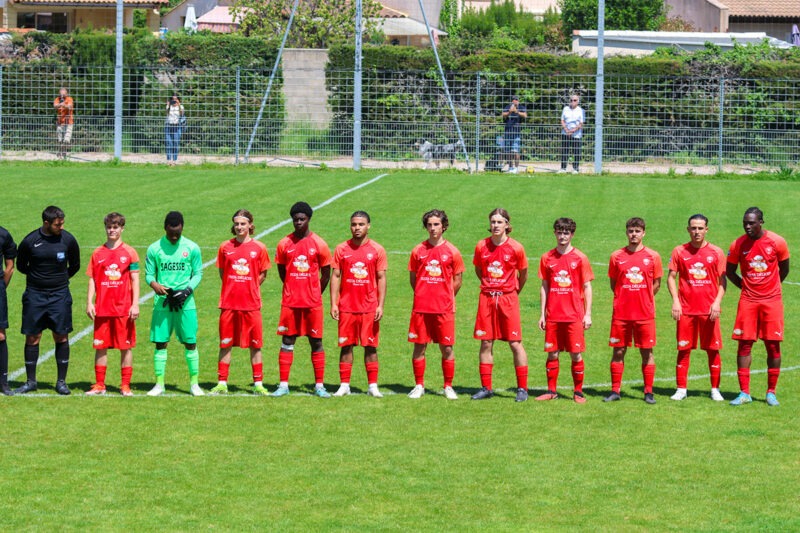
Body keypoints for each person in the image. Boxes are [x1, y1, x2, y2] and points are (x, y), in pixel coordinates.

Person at [726, 207, 790, 407]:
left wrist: (772, 287)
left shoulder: (777, 242)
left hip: (772, 301)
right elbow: (730, 271)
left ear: (761, 222)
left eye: (751, 223)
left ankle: (771, 392)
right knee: (744, 344)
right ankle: (744, 392)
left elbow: (785, 268)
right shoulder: (738, 244)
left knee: (773, 344)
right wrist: (746, 287)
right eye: (745, 222)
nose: (747, 226)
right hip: (748, 301)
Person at [15, 206, 80, 395]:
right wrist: (39, 279)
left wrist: (58, 280)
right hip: (35, 295)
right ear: (46, 223)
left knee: (61, 335)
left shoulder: (68, 240)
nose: (61, 227)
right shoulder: (30, 241)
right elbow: (21, 266)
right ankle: (30, 382)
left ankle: (61, 382)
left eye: (62, 223)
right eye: (58, 224)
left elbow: (75, 265)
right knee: (33, 336)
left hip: (60, 295)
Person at [273, 202, 332, 398]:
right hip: (290, 303)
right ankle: (283, 385)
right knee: (287, 340)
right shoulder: (284, 243)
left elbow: (326, 273)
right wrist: (292, 287)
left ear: (308, 219)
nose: (298, 222)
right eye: (295, 219)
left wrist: (315, 293)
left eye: (302, 219)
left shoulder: (319, 244)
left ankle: (319, 386)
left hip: (312, 304)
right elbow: (282, 270)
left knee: (316, 341)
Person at [210, 209, 271, 396]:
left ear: (250, 225)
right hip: (229, 304)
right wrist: (233, 285)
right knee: (225, 344)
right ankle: (222, 383)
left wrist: (250, 286)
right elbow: (223, 272)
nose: (239, 227)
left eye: (243, 224)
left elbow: (263, 273)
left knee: (255, 345)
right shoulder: (225, 247)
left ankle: (258, 384)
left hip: (251, 304)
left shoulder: (259, 248)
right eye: (236, 224)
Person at [471, 208, 529, 402]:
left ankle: (522, 388)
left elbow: (523, 274)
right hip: (487, 298)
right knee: (486, 341)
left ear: (507, 225)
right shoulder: (481, 246)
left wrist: (512, 291)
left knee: (515, 343)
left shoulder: (516, 248)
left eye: (499, 222)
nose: (495, 225)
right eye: (493, 222)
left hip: (507, 299)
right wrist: (490, 285)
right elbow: (479, 270)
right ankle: (486, 388)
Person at [666, 214, 726, 402]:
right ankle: (681, 389)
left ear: (706, 229)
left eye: (700, 228)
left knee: (713, 350)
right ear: (688, 229)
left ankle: (715, 389)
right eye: (693, 228)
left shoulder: (716, 252)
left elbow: (722, 281)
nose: (697, 232)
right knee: (683, 349)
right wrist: (676, 301)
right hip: (686, 310)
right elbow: (671, 278)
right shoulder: (679, 251)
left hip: (709, 311)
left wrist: (717, 302)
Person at [407, 209, 465, 400]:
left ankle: (448, 386)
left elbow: (458, 279)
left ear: (444, 226)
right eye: (429, 225)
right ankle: (419, 385)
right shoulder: (418, 250)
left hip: (444, 308)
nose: (433, 228)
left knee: (446, 348)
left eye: (436, 224)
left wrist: (445, 295)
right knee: (419, 347)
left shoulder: (452, 251)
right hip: (421, 308)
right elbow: (413, 278)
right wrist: (424, 293)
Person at [145, 211, 204, 396]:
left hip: (185, 303)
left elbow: (198, 273)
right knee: (160, 343)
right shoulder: (154, 248)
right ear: (165, 228)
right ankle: (159, 384)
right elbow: (149, 274)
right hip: (163, 302)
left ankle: (194, 384)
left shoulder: (192, 248)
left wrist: (186, 291)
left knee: (190, 342)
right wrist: (154, 285)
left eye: (177, 233)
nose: (174, 237)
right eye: (171, 233)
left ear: (182, 228)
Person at [330, 211, 387, 398]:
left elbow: (381, 277)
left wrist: (380, 305)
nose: (357, 228)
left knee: (370, 346)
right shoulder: (341, 249)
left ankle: (373, 386)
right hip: (347, 306)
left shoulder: (377, 250)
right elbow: (335, 276)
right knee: (346, 346)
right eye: (354, 224)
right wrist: (334, 303)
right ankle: (344, 385)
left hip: (369, 307)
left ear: (368, 226)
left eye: (361, 224)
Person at [604, 217, 662, 404]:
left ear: (643, 233)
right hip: (621, 314)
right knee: (618, 351)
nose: (634, 234)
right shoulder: (616, 256)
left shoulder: (653, 256)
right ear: (626, 232)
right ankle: (615, 391)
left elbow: (657, 284)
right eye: (631, 231)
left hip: (645, 314)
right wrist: (625, 296)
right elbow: (614, 283)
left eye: (637, 231)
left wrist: (643, 297)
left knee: (647, 352)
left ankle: (648, 392)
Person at [536, 217, 593, 403]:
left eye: (566, 233)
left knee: (576, 354)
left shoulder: (580, 258)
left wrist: (588, 314)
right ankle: (552, 391)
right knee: (552, 353)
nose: (562, 236)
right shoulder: (547, 258)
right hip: (553, 315)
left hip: (574, 315)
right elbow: (544, 286)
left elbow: (587, 287)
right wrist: (542, 314)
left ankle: (578, 392)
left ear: (572, 234)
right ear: (555, 233)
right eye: (559, 232)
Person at [85, 213, 140, 396]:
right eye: (109, 227)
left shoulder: (130, 252)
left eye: (115, 227)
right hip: (102, 309)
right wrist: (89, 302)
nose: (112, 230)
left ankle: (125, 385)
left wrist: (135, 304)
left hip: (123, 309)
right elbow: (92, 279)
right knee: (100, 347)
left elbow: (135, 279)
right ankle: (100, 385)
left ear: (122, 228)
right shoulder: (97, 253)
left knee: (125, 347)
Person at [0, 226, 17, 396]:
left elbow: (10, 266)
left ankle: (3, 382)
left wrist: (1, 288)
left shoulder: (3, 235)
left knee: (0, 335)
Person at [558, 94, 584, 174]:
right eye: (571, 100)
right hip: (565, 133)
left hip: (576, 134)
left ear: (578, 101)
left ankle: (575, 169)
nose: (573, 102)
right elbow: (562, 120)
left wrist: (572, 131)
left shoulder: (581, 110)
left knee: (576, 151)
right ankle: (563, 168)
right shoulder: (565, 109)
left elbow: (581, 123)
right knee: (564, 151)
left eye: (575, 100)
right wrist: (566, 129)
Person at [501, 95, 527, 174]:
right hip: (508, 131)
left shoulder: (521, 107)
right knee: (508, 151)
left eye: (516, 99)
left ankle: (516, 168)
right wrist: (509, 112)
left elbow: (525, 115)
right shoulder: (508, 106)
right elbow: (503, 114)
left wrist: (517, 112)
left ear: (518, 100)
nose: (515, 101)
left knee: (516, 150)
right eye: (513, 99)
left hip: (516, 132)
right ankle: (510, 167)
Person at [53, 87, 74, 160]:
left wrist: (64, 104)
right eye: (61, 94)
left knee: (66, 140)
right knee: (60, 140)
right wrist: (60, 104)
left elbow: (70, 106)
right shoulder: (57, 99)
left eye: (63, 94)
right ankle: (62, 153)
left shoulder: (69, 99)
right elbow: (55, 106)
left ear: (66, 94)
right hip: (60, 122)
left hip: (68, 122)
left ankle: (61, 152)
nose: (62, 96)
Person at [165, 93, 185, 166]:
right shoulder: (169, 106)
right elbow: (167, 113)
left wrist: (178, 105)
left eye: (176, 99)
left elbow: (182, 114)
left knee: (176, 143)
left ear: (178, 100)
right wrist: (168, 105)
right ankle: (169, 160)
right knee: (168, 143)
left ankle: (175, 160)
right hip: (169, 126)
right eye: (173, 99)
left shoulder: (181, 106)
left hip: (177, 126)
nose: (174, 101)